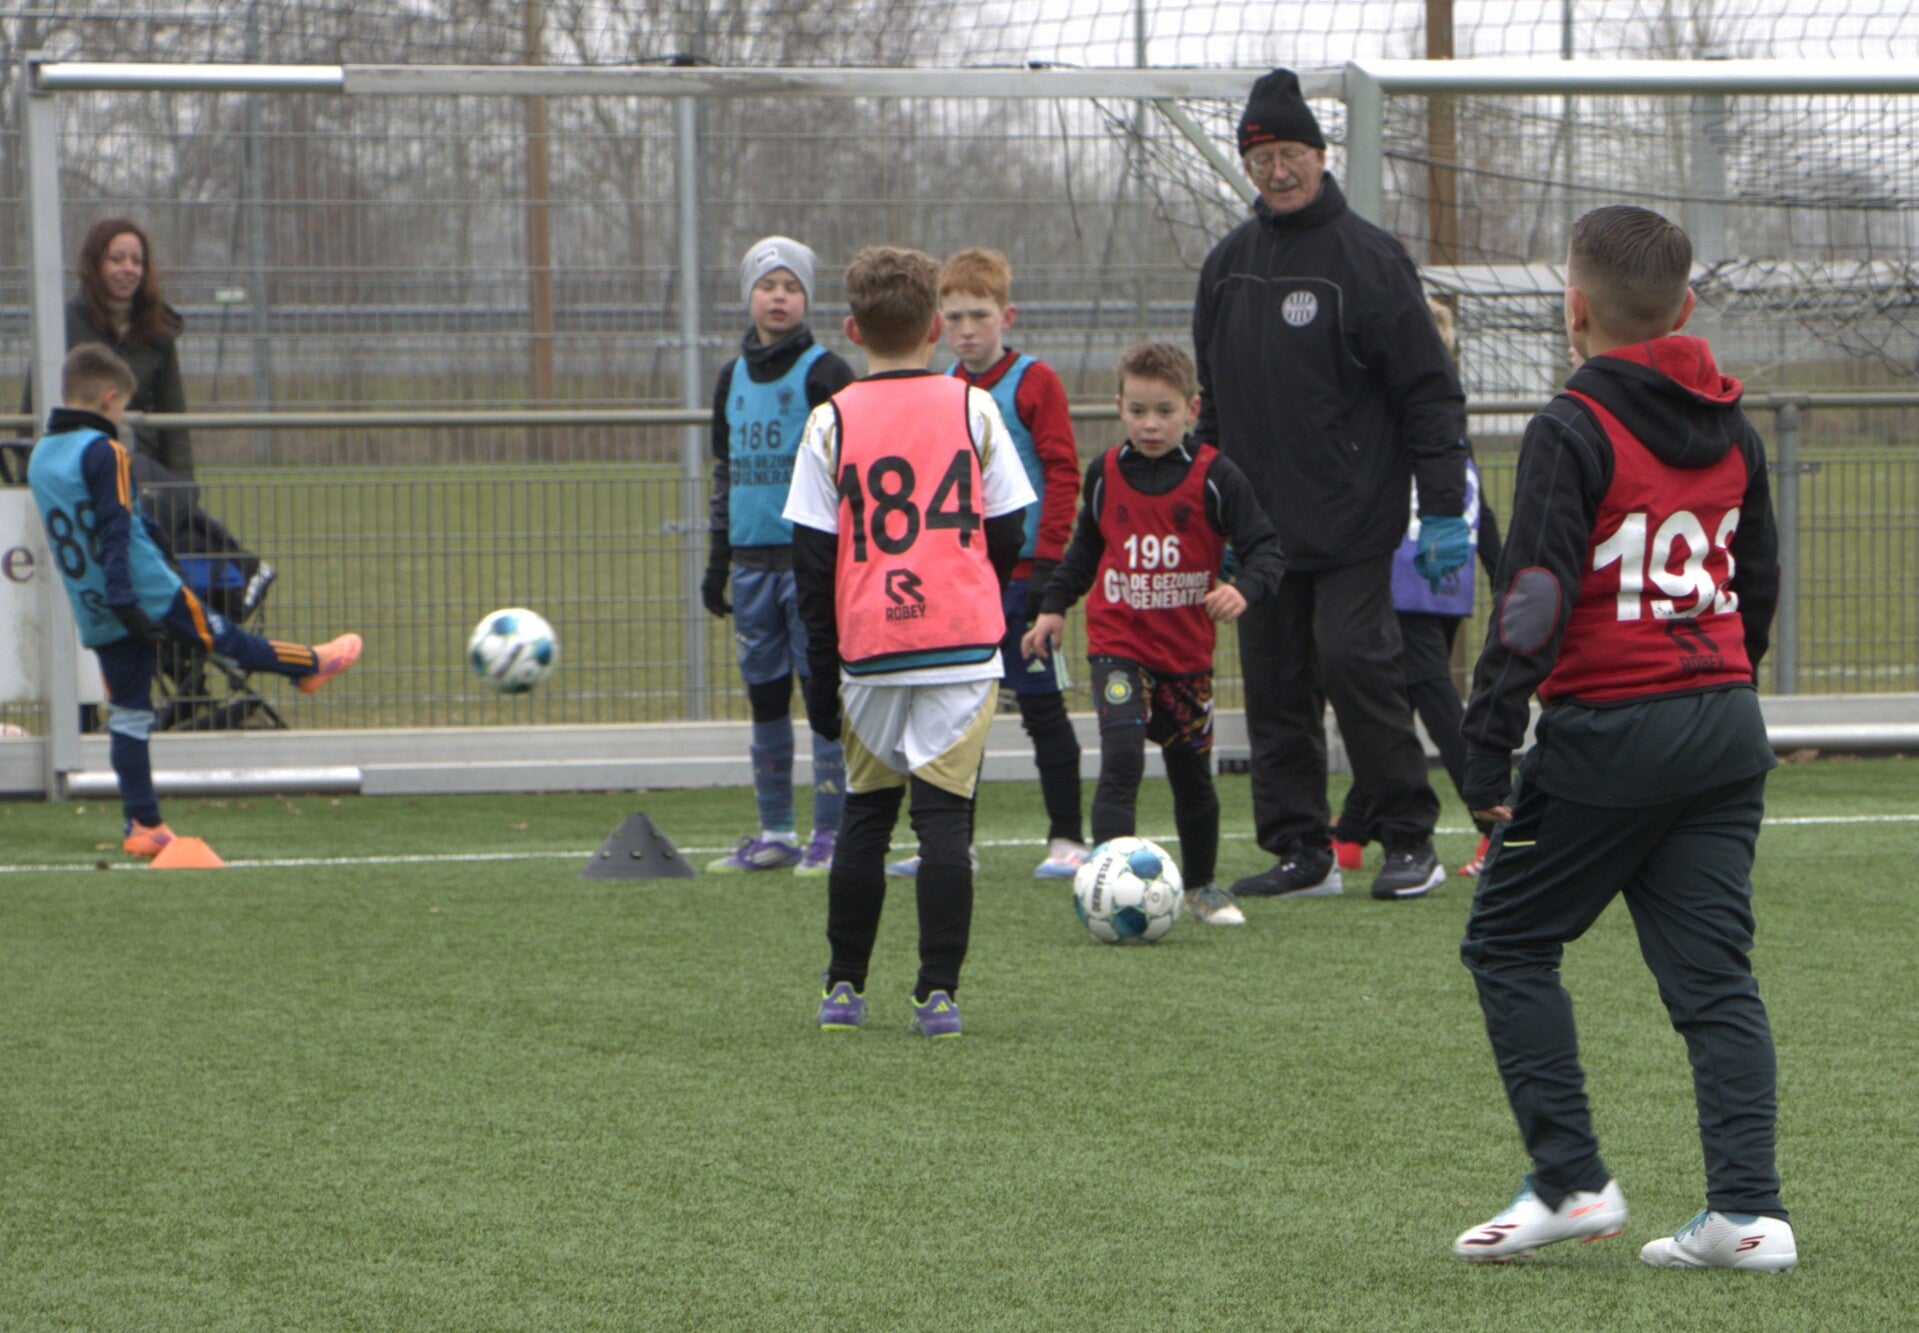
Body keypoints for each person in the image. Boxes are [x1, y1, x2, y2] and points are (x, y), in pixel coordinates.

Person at [1451, 206, 1792, 1271]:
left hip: (1611, 731)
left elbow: (1535, 593)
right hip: (1722, 726)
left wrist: (1485, 738)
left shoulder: (1570, 424)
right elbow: (1756, 580)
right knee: (1714, 980)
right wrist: (1719, 682)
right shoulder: (1733, 425)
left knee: (1506, 943)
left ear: (1573, 309)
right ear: (1684, 307)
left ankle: (1569, 1181)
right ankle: (1747, 1213)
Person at [1191, 68, 1470, 903]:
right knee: (1274, 687)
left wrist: (1443, 510)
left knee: (1356, 666)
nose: (1277, 171)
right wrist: (1207, 509)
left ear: (1319, 155)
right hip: (1260, 533)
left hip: (1353, 519)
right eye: (1261, 158)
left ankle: (1408, 838)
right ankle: (1299, 850)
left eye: (1290, 154)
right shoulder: (1226, 267)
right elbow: (1211, 407)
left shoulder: (1369, 259)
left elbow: (1428, 393)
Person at [785, 246, 1035, 1037]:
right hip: (960, 646)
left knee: (865, 815)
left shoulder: (830, 419)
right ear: (935, 326)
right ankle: (936, 995)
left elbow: (812, 561)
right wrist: (966, 581)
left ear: (853, 329)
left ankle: (842, 987)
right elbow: (1009, 528)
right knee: (943, 822)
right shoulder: (974, 408)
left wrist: (819, 673)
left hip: (869, 651)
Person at [27, 344, 362, 857]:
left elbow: (103, 521)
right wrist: (130, 596)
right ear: (110, 399)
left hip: (92, 606)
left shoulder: (42, 457)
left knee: (129, 715)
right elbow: (115, 529)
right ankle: (310, 665)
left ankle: (142, 825)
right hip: (145, 593)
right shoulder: (105, 451)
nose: (121, 419)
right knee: (229, 641)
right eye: (122, 409)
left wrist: (138, 566)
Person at [1022, 342, 1285, 926]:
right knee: (1121, 758)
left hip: (1186, 658)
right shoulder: (1105, 474)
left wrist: (1244, 588)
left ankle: (1202, 886)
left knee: (1192, 776)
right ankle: (1107, 889)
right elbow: (1085, 550)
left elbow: (1267, 549)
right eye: (1138, 411)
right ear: (1119, 407)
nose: (1150, 424)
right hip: (1118, 648)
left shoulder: (1217, 477)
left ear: (1191, 410)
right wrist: (1053, 606)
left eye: (1164, 411)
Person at [884, 247, 1084, 882]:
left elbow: (1062, 473)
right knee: (954, 714)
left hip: (1024, 577)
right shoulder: (940, 388)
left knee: (1041, 706)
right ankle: (952, 845)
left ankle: (1067, 838)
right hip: (961, 580)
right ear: (937, 323)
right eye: (955, 318)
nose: (967, 330)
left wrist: (1049, 569)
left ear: (1007, 316)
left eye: (980, 315)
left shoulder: (1035, 383)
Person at [1332, 298, 1505, 879]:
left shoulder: (1406, 411)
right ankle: (1351, 833)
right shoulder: (1429, 412)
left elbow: (1467, 492)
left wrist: (1501, 570)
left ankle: (1494, 826)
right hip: (1428, 574)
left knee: (1424, 699)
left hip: (1418, 572)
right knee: (1406, 701)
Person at [700, 236, 856, 876]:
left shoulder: (826, 373)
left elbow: (850, 473)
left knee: (821, 696)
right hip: (750, 566)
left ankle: (832, 833)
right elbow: (726, 472)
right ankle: (776, 832)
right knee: (765, 697)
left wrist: (842, 560)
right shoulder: (730, 378)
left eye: (792, 286)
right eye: (767, 285)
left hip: (808, 565)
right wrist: (718, 560)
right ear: (749, 296)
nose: (779, 297)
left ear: (807, 298)